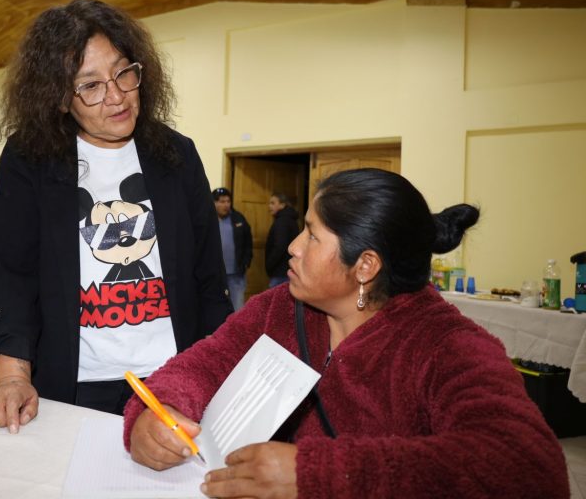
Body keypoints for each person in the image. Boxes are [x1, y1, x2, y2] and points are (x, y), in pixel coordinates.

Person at [124, 168, 569, 498]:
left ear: (366, 265)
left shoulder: (447, 346)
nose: (293, 247)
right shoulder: (279, 308)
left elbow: (528, 469)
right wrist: (158, 411)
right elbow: (205, 362)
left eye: (312, 236)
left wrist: (316, 476)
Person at [0, 0, 232, 432]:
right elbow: (14, 277)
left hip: (172, 378)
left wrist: (215, 370)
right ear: (58, 97)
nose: (116, 96)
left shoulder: (176, 154)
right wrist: (12, 379)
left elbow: (208, 276)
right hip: (77, 384)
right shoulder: (30, 159)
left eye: (124, 72)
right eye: (90, 85)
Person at [212, 187, 253, 310]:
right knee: (215, 307)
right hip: (214, 274)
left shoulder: (238, 218)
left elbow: (248, 242)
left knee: (237, 308)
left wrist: (246, 262)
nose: (226, 205)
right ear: (213, 202)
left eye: (228, 201)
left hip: (236, 274)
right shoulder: (206, 219)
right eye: (222, 201)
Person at [265, 192, 299, 288]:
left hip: (280, 271)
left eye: (273, 203)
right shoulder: (290, 219)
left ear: (282, 205)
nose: (269, 206)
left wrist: (269, 264)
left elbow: (280, 246)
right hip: (287, 268)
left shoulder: (282, 222)